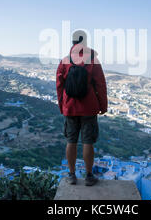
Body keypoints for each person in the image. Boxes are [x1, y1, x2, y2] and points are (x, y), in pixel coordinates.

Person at [56, 30, 108, 186]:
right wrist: (103, 106)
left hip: (70, 107)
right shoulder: (93, 61)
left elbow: (59, 86)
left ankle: (71, 175)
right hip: (89, 107)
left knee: (71, 141)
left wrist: (62, 106)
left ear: (72, 42)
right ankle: (89, 176)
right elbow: (100, 84)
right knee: (88, 142)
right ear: (85, 42)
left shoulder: (65, 61)